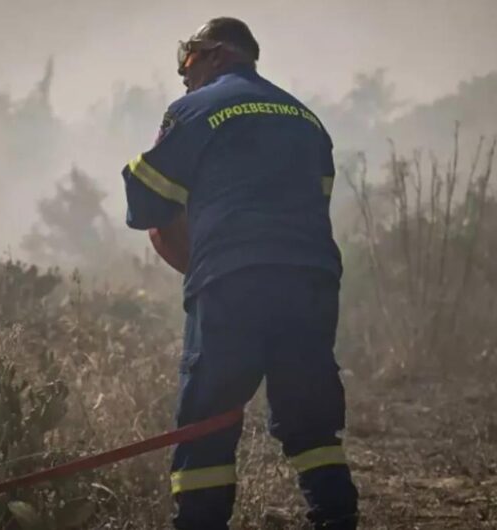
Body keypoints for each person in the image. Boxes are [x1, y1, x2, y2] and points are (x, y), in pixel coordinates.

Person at [120, 17, 359, 530]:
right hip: (311, 280)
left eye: (189, 59)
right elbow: (316, 205)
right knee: (311, 424)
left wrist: (204, 259)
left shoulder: (194, 109)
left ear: (218, 56)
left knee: (206, 423)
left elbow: (144, 201)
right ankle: (336, 519)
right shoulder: (306, 119)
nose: (184, 74)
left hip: (232, 284)